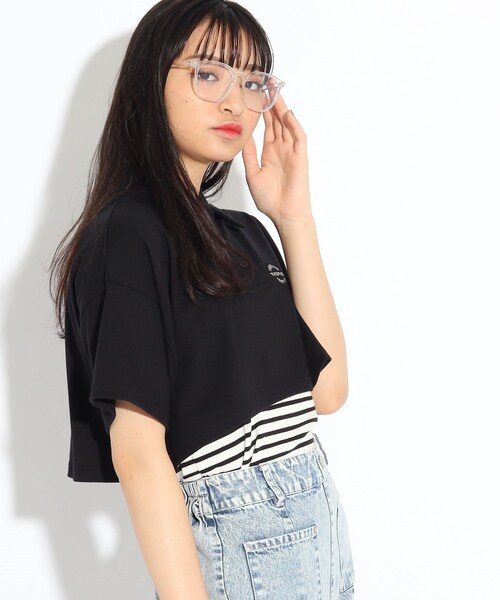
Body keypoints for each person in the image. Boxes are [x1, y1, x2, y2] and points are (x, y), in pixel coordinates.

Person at [49, 0, 355, 597]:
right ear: (150, 79)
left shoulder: (244, 233)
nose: (236, 102)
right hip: (246, 536)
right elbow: (139, 452)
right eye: (208, 74)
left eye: (252, 81)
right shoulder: (128, 234)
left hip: (319, 523)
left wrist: (294, 220)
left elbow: (327, 391)